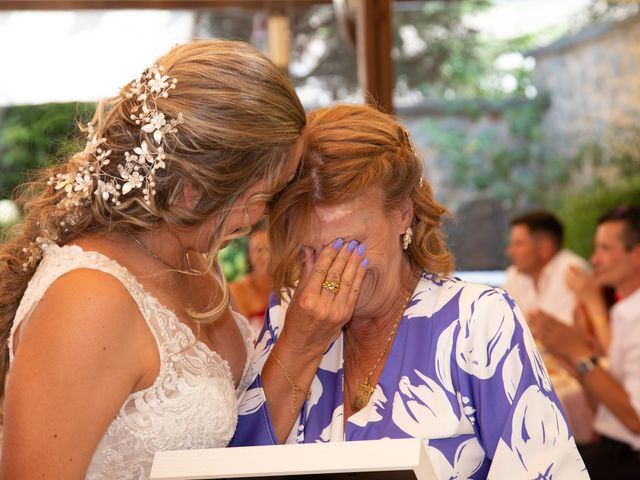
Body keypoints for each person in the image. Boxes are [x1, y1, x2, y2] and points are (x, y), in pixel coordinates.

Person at [0, 39, 306, 479]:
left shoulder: (195, 261)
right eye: (263, 196)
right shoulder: (88, 301)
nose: (261, 218)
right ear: (193, 192)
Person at [231, 104, 588, 479]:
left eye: (350, 245)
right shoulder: (289, 313)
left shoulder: (477, 320)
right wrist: (299, 344)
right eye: (312, 249)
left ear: (403, 213)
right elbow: (238, 468)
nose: (330, 272)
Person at [531, 205, 640, 479]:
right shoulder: (625, 310)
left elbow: (635, 420)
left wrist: (580, 353)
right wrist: (573, 360)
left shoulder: (633, 313)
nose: (594, 259)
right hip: (612, 444)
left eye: (605, 248)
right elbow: (603, 408)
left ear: (636, 254)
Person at [503, 210, 589, 325]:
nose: (510, 252)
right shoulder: (514, 274)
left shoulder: (572, 271)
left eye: (518, 244)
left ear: (544, 248)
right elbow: (501, 324)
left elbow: (564, 333)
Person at [230, 223, 273, 342]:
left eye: (270, 249)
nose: (266, 256)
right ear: (249, 254)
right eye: (259, 249)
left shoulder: (287, 285)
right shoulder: (237, 290)